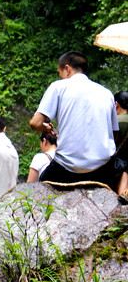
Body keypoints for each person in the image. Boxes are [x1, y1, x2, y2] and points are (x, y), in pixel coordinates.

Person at [29, 51, 128, 194]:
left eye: (60, 72)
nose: (60, 76)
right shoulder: (106, 93)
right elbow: (113, 132)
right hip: (103, 169)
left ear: (67, 69)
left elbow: (35, 123)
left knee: (42, 187)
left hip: (67, 167)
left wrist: (45, 128)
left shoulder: (58, 87)